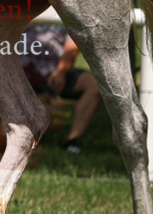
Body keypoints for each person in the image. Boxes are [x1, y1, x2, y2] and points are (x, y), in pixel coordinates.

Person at [20, 25, 102, 154]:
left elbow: (72, 46)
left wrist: (61, 71)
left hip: (54, 71)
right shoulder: (23, 6)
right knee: (6, 80)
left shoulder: (64, 9)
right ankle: (10, 138)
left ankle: (72, 141)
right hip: (23, 70)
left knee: (95, 84)